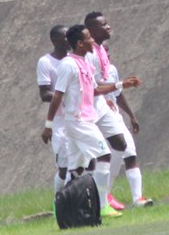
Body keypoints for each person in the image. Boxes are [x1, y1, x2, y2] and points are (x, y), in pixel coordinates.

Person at [44, 25, 141, 218]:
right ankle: (102, 205)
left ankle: (62, 208)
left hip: (85, 120)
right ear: (80, 43)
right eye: (89, 38)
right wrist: (48, 125)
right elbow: (57, 95)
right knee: (104, 154)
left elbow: (95, 89)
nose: (92, 41)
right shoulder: (68, 64)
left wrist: (121, 84)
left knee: (76, 169)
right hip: (78, 121)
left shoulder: (85, 62)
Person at [84, 11, 153, 208]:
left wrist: (130, 114)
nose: (108, 27)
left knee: (124, 148)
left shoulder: (101, 54)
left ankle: (117, 196)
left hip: (104, 108)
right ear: (91, 30)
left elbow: (113, 90)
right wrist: (111, 92)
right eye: (103, 25)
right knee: (84, 160)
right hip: (88, 110)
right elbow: (89, 86)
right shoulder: (88, 54)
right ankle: (87, 199)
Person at [37, 25, 70, 194]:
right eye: (65, 36)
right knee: (64, 168)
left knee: (84, 163)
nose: (69, 39)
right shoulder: (46, 62)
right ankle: (59, 199)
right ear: (55, 40)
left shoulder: (74, 59)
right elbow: (44, 94)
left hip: (78, 118)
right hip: (60, 120)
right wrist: (66, 96)